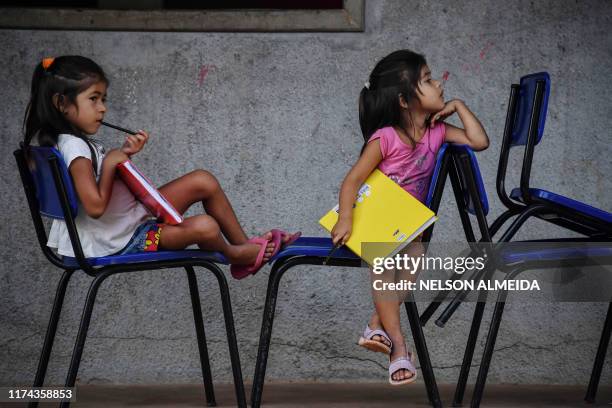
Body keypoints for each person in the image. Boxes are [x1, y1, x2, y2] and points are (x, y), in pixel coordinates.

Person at [23, 55, 299, 279]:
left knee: (203, 180)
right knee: (205, 227)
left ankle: (245, 247)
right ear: (61, 103)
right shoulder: (74, 148)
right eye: (93, 99)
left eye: (103, 99)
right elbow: (94, 207)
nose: (103, 108)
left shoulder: (73, 143)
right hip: (119, 240)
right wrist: (109, 165)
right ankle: (235, 255)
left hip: (122, 224)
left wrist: (124, 155)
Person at [330, 50, 489, 385]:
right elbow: (352, 181)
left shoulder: (438, 132)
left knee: (410, 271)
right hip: (376, 226)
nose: (438, 83)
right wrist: (345, 218)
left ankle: (376, 324)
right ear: (404, 100)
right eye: (428, 80)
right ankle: (399, 348)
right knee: (385, 264)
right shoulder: (385, 138)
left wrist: (459, 106)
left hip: (411, 229)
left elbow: (479, 141)